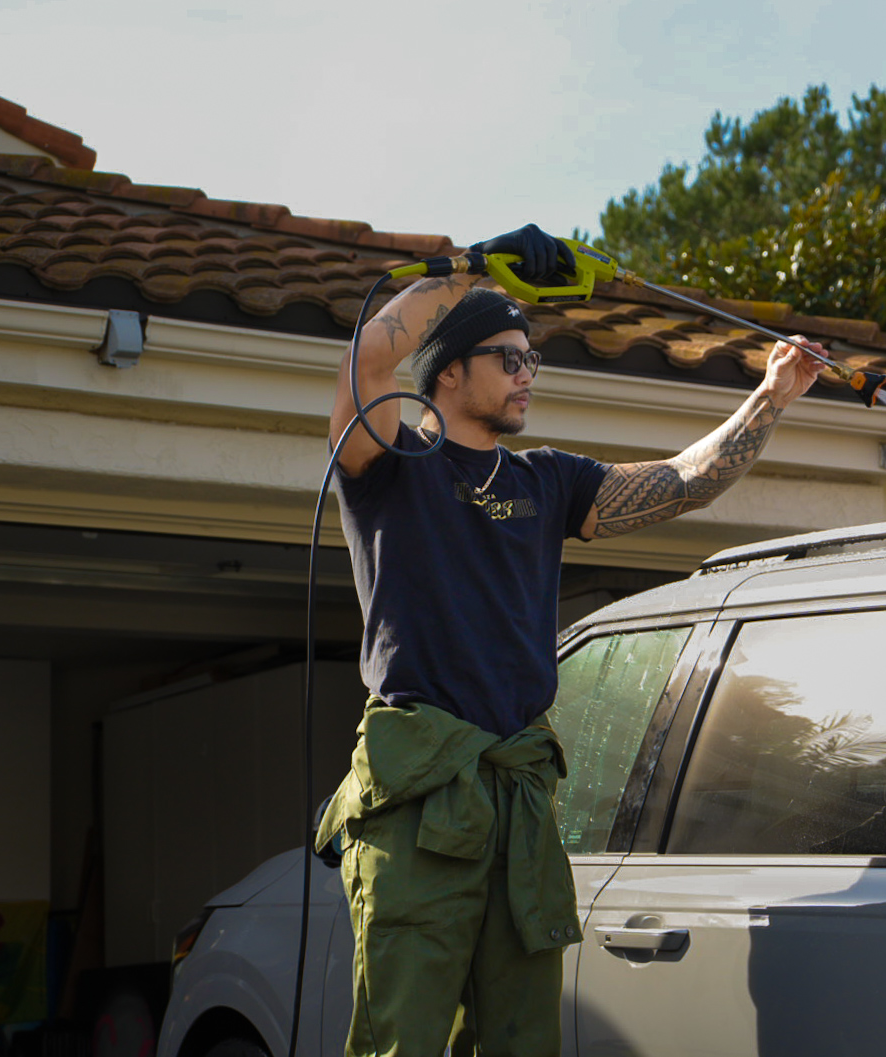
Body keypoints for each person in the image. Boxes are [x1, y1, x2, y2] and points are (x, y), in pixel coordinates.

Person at [314, 224, 825, 1057]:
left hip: (518, 794)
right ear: (450, 370)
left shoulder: (546, 479)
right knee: (400, 1041)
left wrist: (771, 394)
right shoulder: (391, 462)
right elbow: (367, 362)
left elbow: (683, 482)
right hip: (419, 796)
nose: (526, 375)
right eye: (507, 358)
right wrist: (471, 271)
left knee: (523, 1040)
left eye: (532, 360)